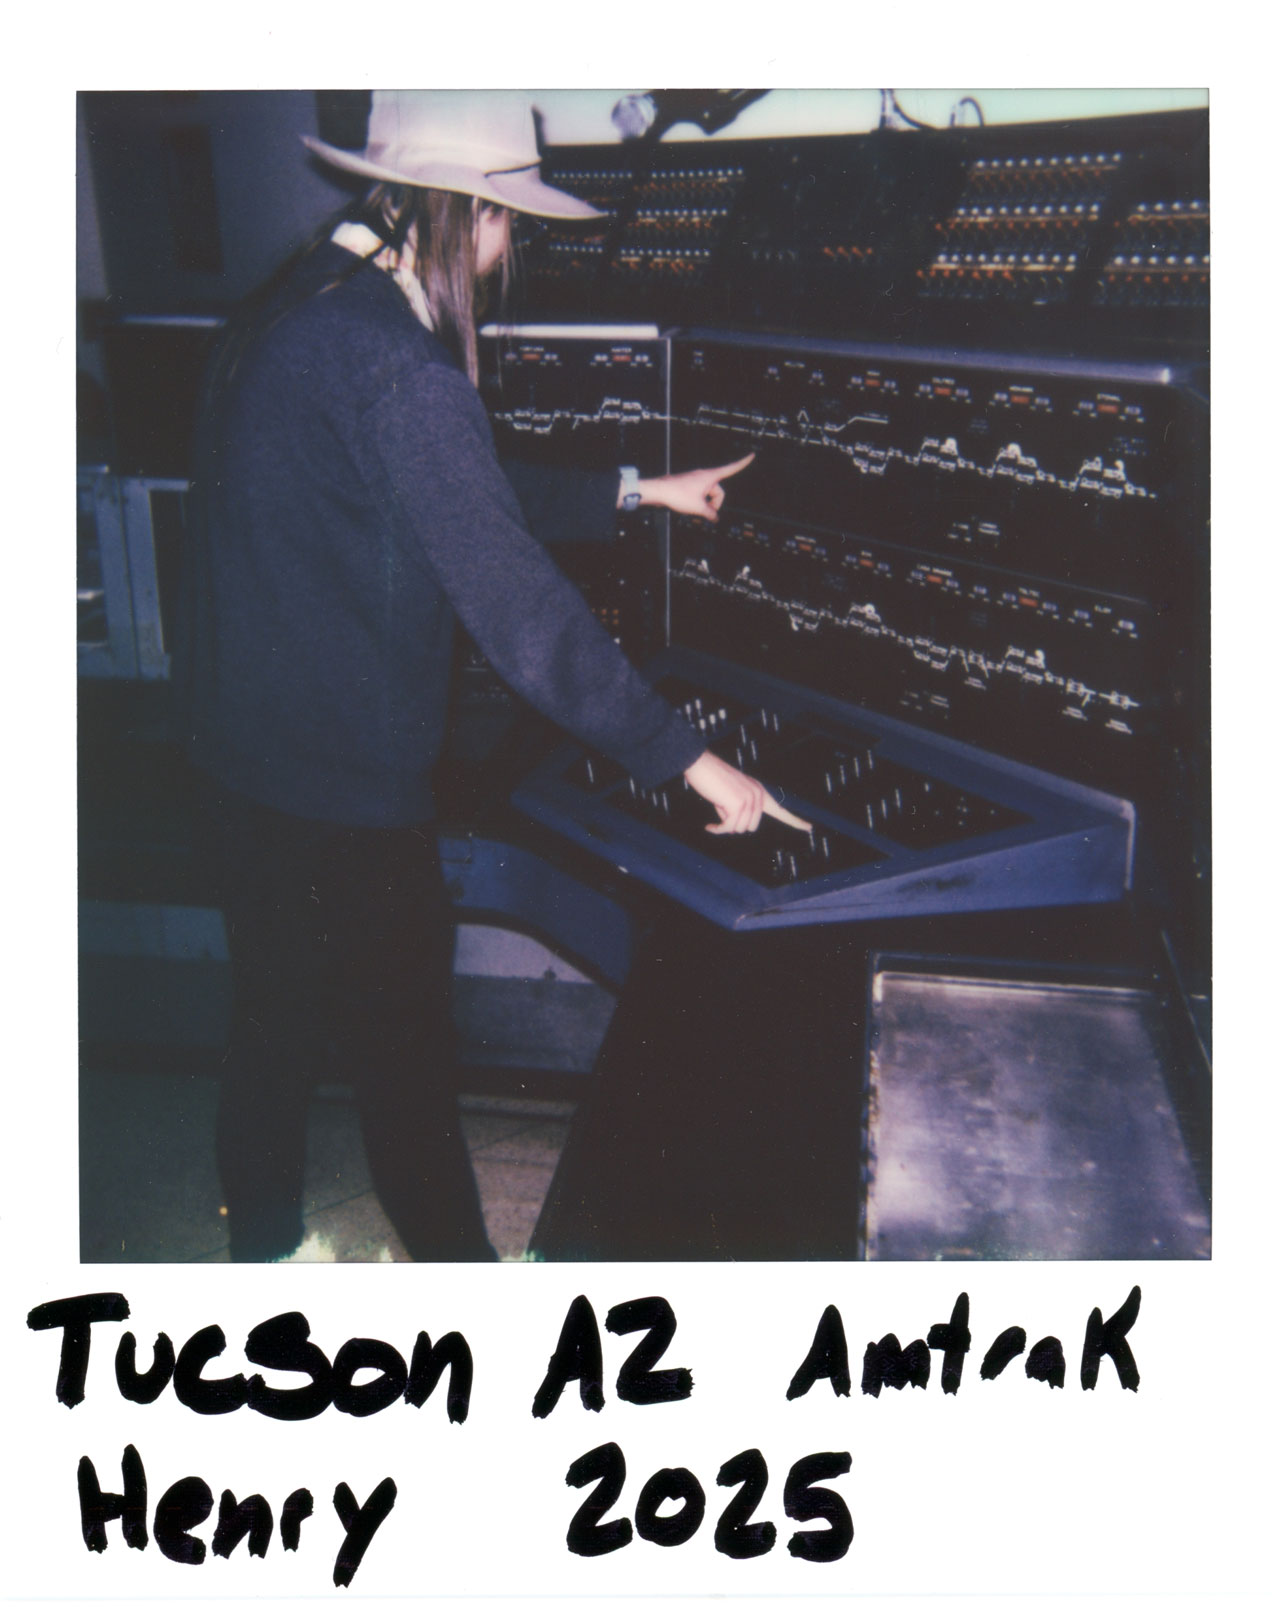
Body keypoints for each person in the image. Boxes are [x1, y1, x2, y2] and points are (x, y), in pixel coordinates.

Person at [175, 90, 805, 1264]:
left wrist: (633, 488)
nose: (511, 248)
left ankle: (257, 1245)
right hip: (340, 795)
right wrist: (692, 760)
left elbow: (439, 488)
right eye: (508, 220)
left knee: (269, 1018)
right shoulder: (395, 365)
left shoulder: (307, 296)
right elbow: (520, 612)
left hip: (242, 757)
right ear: (470, 216)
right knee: (406, 1065)